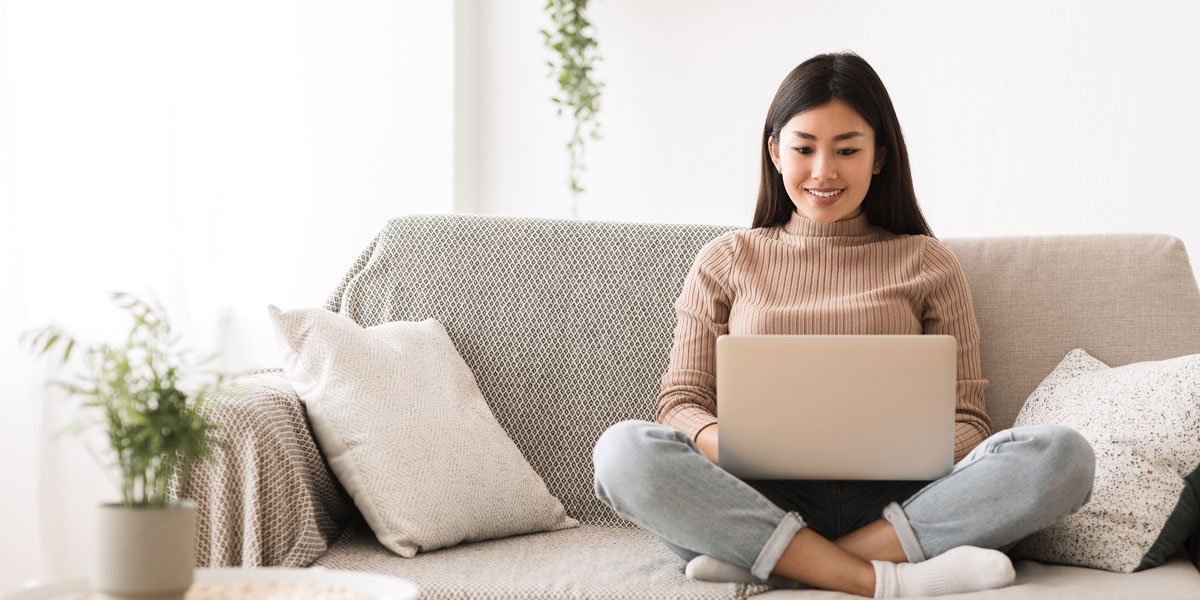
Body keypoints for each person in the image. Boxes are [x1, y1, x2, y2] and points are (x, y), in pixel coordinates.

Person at [591, 51, 1096, 598]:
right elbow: (682, 403)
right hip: (755, 499)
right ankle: (881, 578)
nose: (823, 171)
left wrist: (900, 447)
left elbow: (969, 422)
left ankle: (784, 564)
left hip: (902, 504)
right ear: (775, 154)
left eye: (847, 149)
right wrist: (739, 445)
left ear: (878, 156)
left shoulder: (927, 262)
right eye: (803, 149)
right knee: (623, 452)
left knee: (1063, 456)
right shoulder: (726, 259)